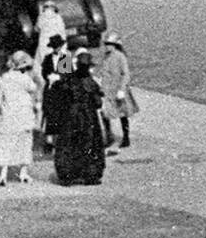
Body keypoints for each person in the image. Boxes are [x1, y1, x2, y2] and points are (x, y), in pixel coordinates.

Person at [52, 50, 106, 186]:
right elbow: (98, 103)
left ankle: (68, 174)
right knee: (90, 144)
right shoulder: (91, 82)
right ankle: (90, 175)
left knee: (68, 144)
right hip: (88, 117)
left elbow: (61, 95)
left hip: (71, 116)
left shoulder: (70, 80)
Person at [0, 51, 39, 186]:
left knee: (6, 143)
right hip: (23, 115)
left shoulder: (5, 77)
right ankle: (23, 173)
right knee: (25, 143)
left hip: (9, 115)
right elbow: (33, 88)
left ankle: (3, 174)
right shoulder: (25, 78)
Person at [98, 33, 138, 154]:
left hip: (118, 89)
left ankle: (126, 137)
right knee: (105, 113)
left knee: (123, 114)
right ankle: (109, 135)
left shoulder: (120, 56)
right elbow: (104, 72)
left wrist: (121, 89)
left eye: (109, 44)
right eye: (106, 44)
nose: (107, 46)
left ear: (115, 45)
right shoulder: (106, 57)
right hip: (107, 89)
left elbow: (126, 74)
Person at [39, 33, 66, 152]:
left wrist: (59, 77)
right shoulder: (47, 58)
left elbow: (68, 75)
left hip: (61, 91)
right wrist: (49, 77)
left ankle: (60, 140)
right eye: (54, 47)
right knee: (49, 115)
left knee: (61, 115)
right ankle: (49, 141)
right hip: (50, 90)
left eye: (58, 46)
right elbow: (44, 72)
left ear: (61, 46)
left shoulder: (65, 58)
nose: (56, 49)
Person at [34, 0, 66, 72]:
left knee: (43, 53)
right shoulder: (58, 17)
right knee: (59, 53)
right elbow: (62, 28)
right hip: (56, 38)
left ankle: (46, 69)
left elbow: (38, 28)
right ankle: (59, 68)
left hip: (44, 38)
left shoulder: (41, 17)